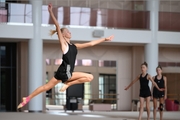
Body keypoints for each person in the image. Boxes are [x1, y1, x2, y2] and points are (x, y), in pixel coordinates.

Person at [17, 4, 114, 109]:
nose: (69, 32)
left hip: (62, 72)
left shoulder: (74, 46)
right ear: (63, 35)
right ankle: (68, 84)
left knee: (45, 87)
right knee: (90, 77)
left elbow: (90, 44)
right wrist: (51, 12)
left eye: (69, 31)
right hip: (66, 73)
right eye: (67, 31)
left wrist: (104, 39)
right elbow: (57, 26)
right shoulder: (64, 45)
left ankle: (27, 98)